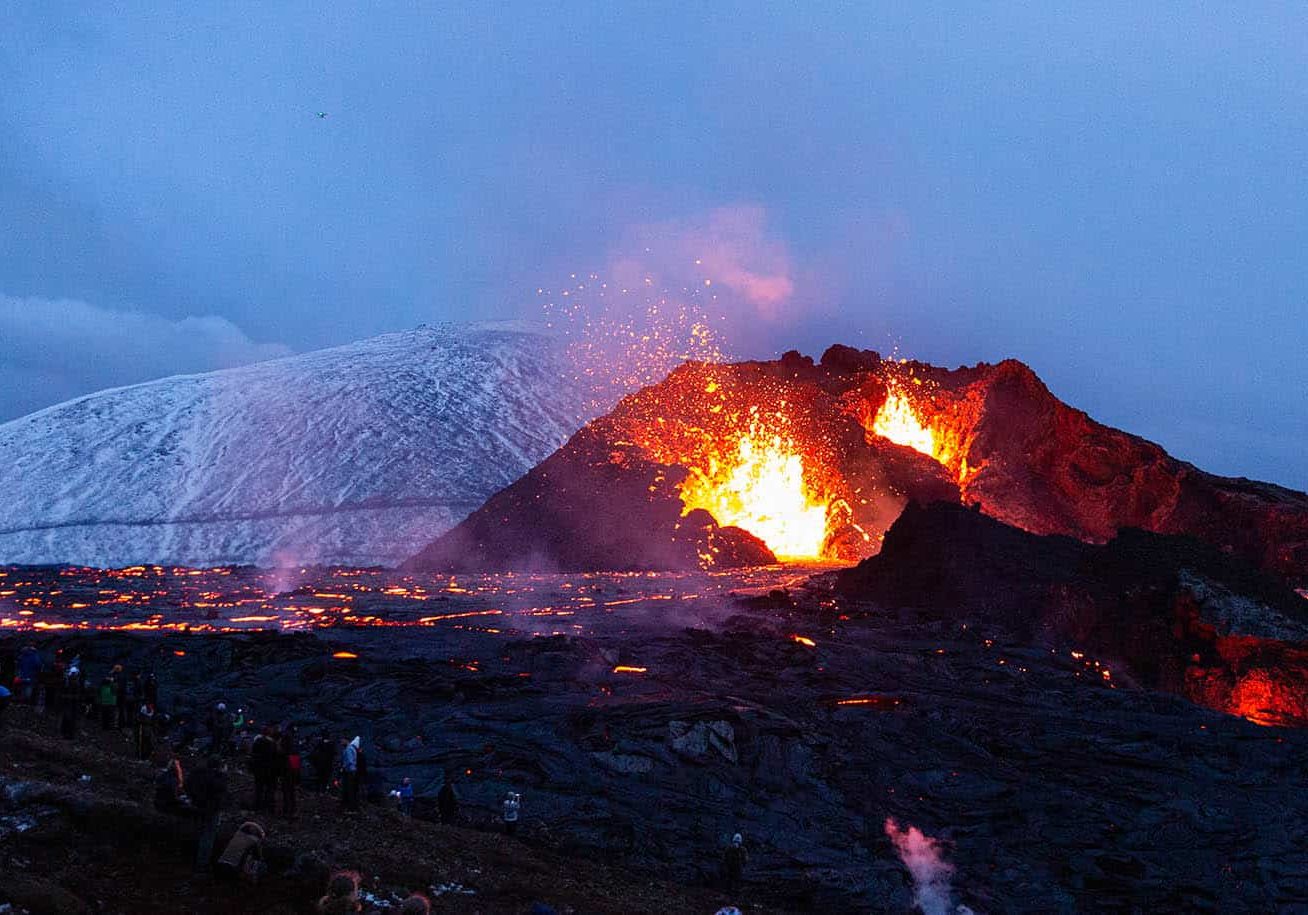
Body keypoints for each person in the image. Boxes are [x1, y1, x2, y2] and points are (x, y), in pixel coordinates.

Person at [188, 756, 229, 871]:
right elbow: (222, 788)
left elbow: (187, 785)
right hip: (210, 811)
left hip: (195, 807)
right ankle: (202, 864)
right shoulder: (216, 778)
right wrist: (223, 774)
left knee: (198, 832)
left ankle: (192, 856)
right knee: (208, 837)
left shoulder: (197, 773)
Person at [249, 726, 279, 813]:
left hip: (259, 768)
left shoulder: (257, 741)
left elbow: (253, 753)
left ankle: (257, 806)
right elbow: (275, 756)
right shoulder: (272, 743)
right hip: (269, 769)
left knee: (259, 788)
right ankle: (268, 806)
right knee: (269, 788)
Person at [277, 725, 300, 818]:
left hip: (287, 770)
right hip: (291, 769)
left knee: (287, 790)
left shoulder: (285, 747)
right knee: (291, 791)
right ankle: (292, 809)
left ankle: (287, 809)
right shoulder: (294, 750)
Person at [339, 737, 360, 812]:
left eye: (342, 740)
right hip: (351, 771)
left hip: (349, 772)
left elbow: (349, 761)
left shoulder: (348, 749)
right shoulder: (351, 748)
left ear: (346, 740)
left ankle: (351, 807)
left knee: (349, 789)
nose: (341, 742)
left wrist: (343, 767)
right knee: (351, 789)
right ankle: (351, 806)